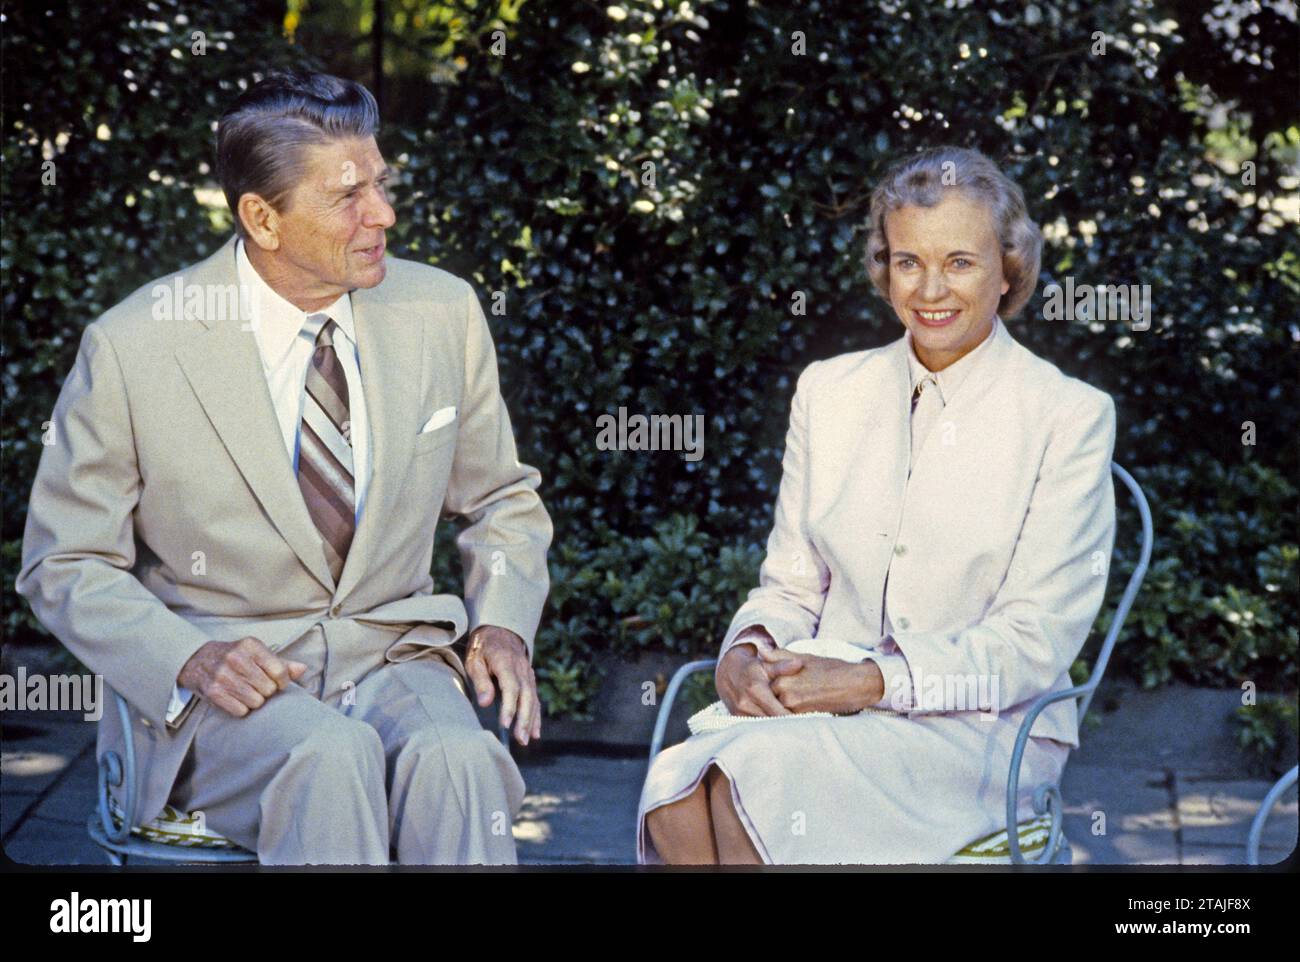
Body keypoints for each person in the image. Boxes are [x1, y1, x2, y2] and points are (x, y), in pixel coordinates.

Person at [16, 70, 553, 865]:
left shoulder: (441, 311)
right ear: (262, 218)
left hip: (394, 657)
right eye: (348, 196)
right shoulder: (135, 346)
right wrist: (187, 658)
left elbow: (501, 499)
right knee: (329, 758)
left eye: (382, 182)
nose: (384, 214)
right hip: (227, 689)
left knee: (464, 761)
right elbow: (63, 561)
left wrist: (503, 618)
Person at [638, 146, 1117, 864]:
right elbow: (792, 584)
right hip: (818, 710)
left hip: (981, 731)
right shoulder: (830, 393)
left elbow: (1032, 644)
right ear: (883, 265)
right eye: (907, 261)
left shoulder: (1067, 415)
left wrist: (871, 681)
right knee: (674, 795)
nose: (931, 289)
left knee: (744, 784)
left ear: (1009, 267)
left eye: (960, 261)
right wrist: (746, 651)